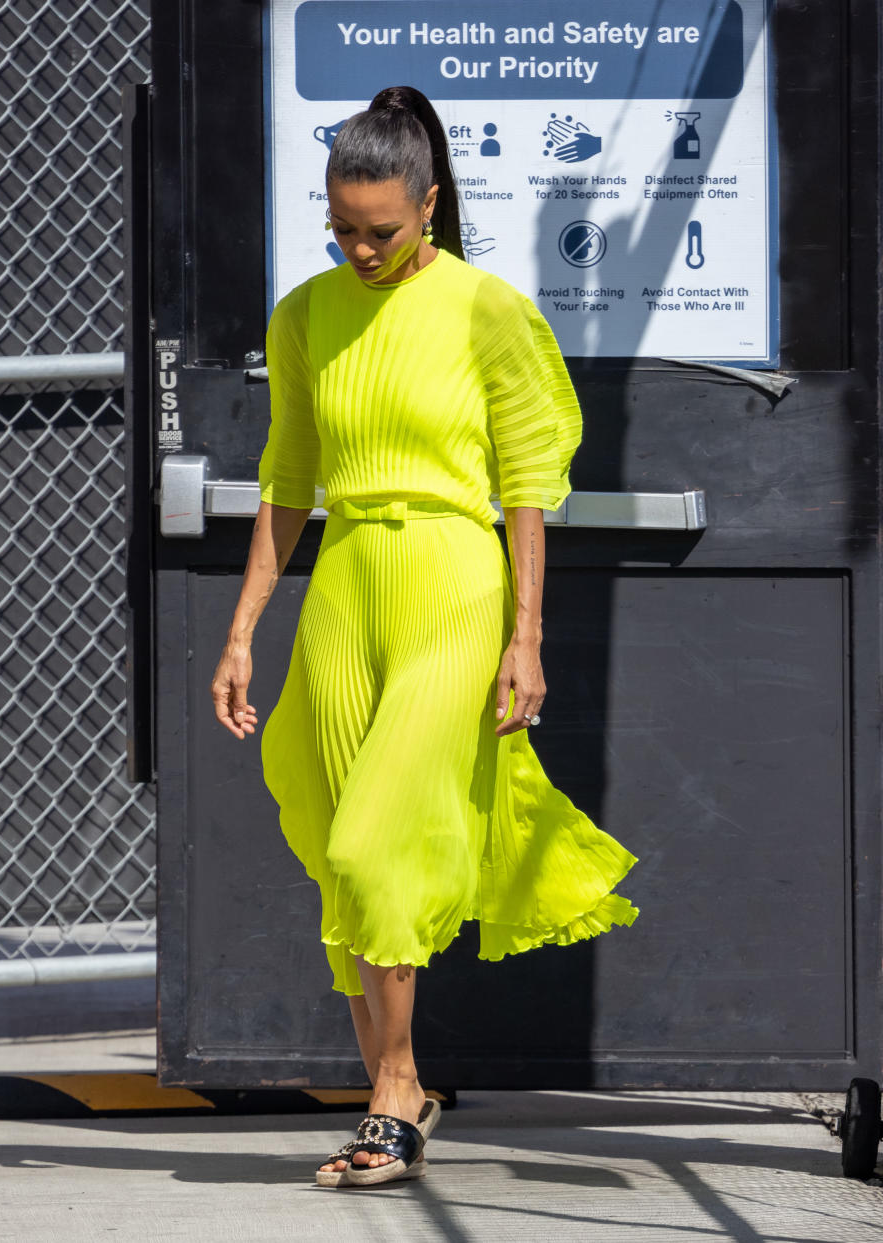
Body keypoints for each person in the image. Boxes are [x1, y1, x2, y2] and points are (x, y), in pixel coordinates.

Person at [210, 85, 640, 1189]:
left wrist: (527, 633)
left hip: (453, 577)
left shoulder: (483, 308)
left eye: (381, 230)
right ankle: (391, 1091)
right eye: (342, 229)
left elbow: (529, 484)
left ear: (431, 205)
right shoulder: (306, 313)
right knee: (330, 828)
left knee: (376, 844)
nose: (359, 248)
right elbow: (286, 482)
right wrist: (245, 629)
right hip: (347, 581)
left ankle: (395, 1093)